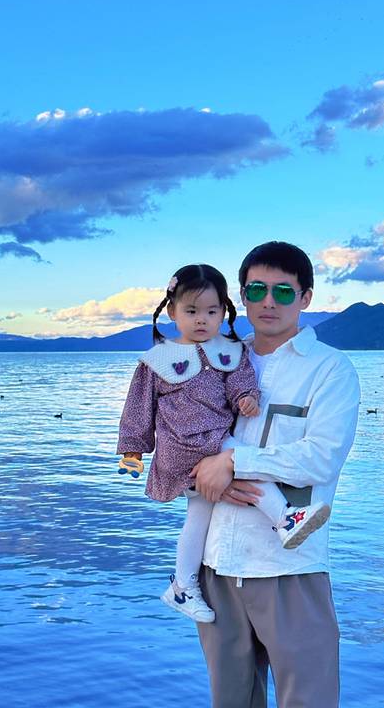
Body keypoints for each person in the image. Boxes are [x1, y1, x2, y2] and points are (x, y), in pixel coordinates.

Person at [192, 242, 361, 708]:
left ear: (305, 298)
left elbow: (322, 457)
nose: (269, 302)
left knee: (308, 700)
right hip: (218, 563)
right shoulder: (219, 362)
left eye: (283, 291)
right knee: (230, 701)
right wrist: (196, 474)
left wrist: (233, 463)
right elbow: (185, 434)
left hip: (289, 566)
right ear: (242, 297)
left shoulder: (330, 369)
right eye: (257, 290)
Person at [116, 263, 331, 624]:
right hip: (183, 446)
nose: (202, 320)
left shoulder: (228, 352)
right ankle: (285, 517)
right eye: (191, 311)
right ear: (172, 312)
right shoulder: (157, 361)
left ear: (224, 311)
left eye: (212, 311)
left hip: (213, 438)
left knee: (198, 517)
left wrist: (246, 397)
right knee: (246, 460)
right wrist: (133, 450)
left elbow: (240, 381)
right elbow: (138, 408)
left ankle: (182, 586)